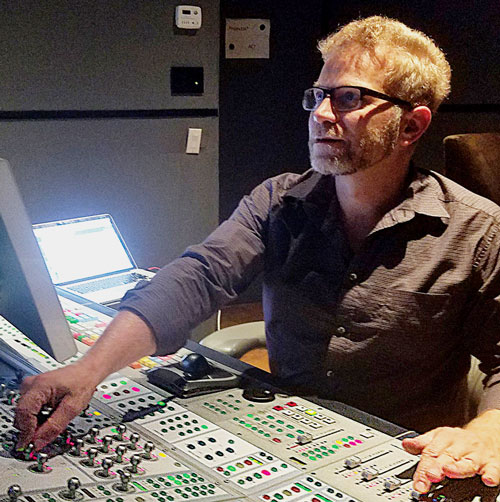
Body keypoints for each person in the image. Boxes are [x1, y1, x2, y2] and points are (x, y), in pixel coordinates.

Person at [15, 16, 500, 494]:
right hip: (292, 435)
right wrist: (88, 370)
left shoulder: (478, 230)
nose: (321, 114)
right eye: (319, 95)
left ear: (411, 125)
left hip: (411, 463)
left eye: (349, 98)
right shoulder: (276, 200)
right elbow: (200, 276)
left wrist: (488, 431)